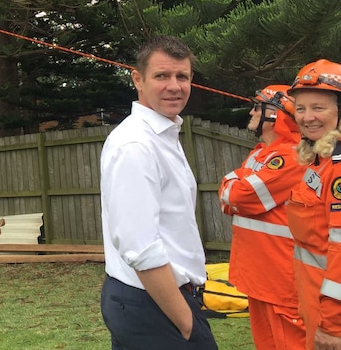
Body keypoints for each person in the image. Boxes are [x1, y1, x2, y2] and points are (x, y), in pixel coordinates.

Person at [99, 35, 218, 350]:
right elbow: (141, 249)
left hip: (151, 300)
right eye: (162, 75)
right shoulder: (136, 145)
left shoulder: (164, 134)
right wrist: (186, 323)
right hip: (153, 304)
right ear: (137, 78)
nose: (174, 86)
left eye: (182, 76)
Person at [218, 85, 306, 350]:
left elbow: (238, 196)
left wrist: (233, 183)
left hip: (280, 278)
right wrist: (235, 190)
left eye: (258, 106)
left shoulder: (292, 157)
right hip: (258, 275)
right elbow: (231, 200)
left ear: (275, 115)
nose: (251, 111)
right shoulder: (260, 153)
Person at [286, 59, 341, 350]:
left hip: (332, 318)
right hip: (314, 302)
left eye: (318, 108)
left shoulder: (338, 169)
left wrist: (332, 326)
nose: (307, 117)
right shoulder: (320, 162)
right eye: (301, 108)